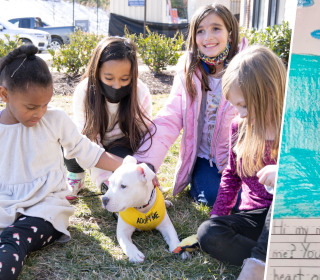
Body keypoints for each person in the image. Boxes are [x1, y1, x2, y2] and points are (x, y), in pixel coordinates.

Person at [0, 45, 123, 280]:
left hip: (45, 208)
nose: (40, 112)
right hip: (4, 204)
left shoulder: (55, 120)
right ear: (4, 95)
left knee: (14, 241)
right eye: (31, 107)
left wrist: (130, 165)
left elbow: (89, 153)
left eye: (45, 104)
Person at [134, 3, 248, 206]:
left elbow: (261, 119)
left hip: (242, 158)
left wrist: (242, 161)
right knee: (213, 197)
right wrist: (146, 163)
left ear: (230, 32)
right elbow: (169, 117)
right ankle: (199, 182)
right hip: (207, 160)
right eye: (200, 31)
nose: (208, 37)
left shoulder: (248, 67)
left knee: (252, 196)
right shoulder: (189, 70)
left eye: (216, 28)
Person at [196, 45, 286, 279]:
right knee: (208, 233)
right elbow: (232, 175)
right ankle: (277, 258)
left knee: (279, 205)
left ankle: (257, 265)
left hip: (286, 216)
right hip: (254, 219)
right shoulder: (240, 126)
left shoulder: (292, 128)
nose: (240, 113)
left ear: (269, 92)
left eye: (244, 105)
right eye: (235, 105)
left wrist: (285, 174)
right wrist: (218, 217)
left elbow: (312, 178)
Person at [65, 36, 153, 200]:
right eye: (109, 78)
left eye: (124, 79)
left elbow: (144, 136)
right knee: (70, 148)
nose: (117, 86)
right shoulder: (84, 92)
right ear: (96, 72)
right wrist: (104, 179)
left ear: (133, 75)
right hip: (87, 143)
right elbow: (86, 145)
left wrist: (142, 171)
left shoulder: (140, 93)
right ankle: (76, 177)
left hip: (118, 146)